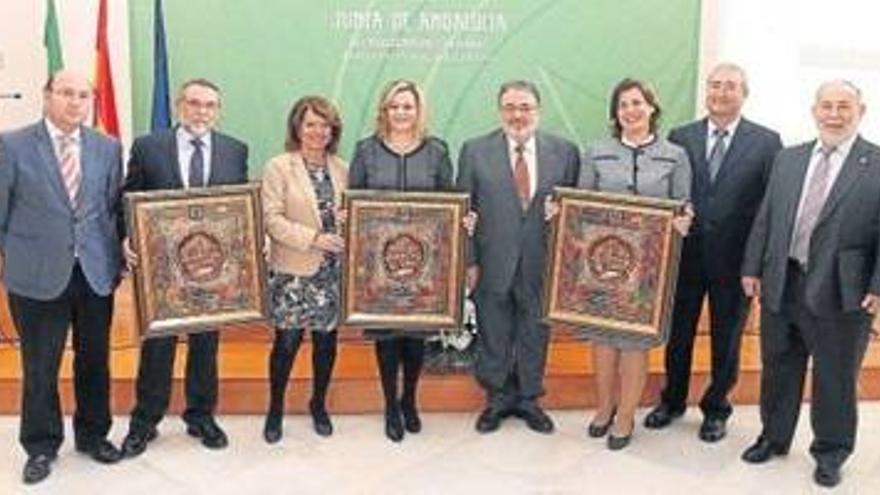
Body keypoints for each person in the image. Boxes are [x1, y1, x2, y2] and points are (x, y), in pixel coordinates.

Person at [740, 80, 880, 488]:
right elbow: (766, 216)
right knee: (779, 366)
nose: (834, 114)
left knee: (835, 376)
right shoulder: (789, 158)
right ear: (814, 110)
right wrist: (752, 266)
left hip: (844, 289)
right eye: (827, 106)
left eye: (843, 107)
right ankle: (773, 437)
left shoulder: (876, 163)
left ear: (860, 111)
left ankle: (831, 452)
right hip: (783, 280)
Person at [644, 63, 782, 442]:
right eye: (715, 85)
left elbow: (770, 208)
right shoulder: (680, 136)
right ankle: (671, 401)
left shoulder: (767, 142)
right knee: (679, 335)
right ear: (707, 91)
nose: (721, 92)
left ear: (744, 93)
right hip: (685, 257)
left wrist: (758, 264)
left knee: (728, 337)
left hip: (737, 262)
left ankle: (717, 408)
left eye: (731, 86)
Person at [0, 70, 124, 484]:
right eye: (66, 93)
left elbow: (110, 211)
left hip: (93, 273)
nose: (75, 102)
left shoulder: (107, 147)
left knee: (95, 361)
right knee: (40, 365)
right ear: (47, 96)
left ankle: (92, 436)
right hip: (36, 276)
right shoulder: (12, 145)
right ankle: (40, 445)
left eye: (83, 95)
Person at [120, 78, 249, 458]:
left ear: (218, 110)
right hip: (162, 270)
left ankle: (200, 416)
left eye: (209, 105)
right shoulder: (149, 146)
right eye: (194, 103)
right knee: (157, 345)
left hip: (210, 269)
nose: (201, 111)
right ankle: (145, 422)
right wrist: (127, 238)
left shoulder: (233, 150)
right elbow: (129, 196)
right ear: (180, 105)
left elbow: (238, 207)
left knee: (206, 345)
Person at [457, 80, 580, 434]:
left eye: (525, 107)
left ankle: (528, 399)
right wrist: (469, 261)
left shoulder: (565, 152)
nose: (517, 114)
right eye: (510, 107)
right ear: (500, 111)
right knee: (493, 331)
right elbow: (464, 212)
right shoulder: (474, 151)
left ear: (538, 111)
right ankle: (496, 399)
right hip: (491, 262)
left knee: (534, 332)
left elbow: (576, 215)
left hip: (543, 263)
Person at [577, 78, 692, 450]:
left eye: (637, 103)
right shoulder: (595, 152)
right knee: (602, 338)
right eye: (623, 105)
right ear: (615, 113)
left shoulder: (675, 155)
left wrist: (683, 221)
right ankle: (603, 407)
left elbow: (683, 205)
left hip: (649, 270)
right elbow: (581, 206)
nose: (630, 110)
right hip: (602, 266)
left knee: (634, 342)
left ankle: (625, 416)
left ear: (652, 109)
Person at [349, 79, 454, 442]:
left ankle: (409, 398)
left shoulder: (437, 151)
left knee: (415, 336)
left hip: (423, 267)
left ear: (418, 110)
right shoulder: (366, 151)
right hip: (379, 267)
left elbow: (450, 203)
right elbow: (354, 199)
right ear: (385, 110)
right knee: (387, 336)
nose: (401, 112)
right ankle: (389, 405)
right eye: (394, 106)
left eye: (407, 106)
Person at [261, 96, 347, 443]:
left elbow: (355, 213)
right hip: (292, 271)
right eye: (310, 124)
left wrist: (346, 222)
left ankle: (318, 404)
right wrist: (315, 238)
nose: (317, 131)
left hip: (331, 273)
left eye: (324, 125)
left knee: (326, 344)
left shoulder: (343, 168)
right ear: (297, 128)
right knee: (286, 345)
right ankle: (275, 408)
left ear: (333, 130)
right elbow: (272, 219)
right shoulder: (279, 166)